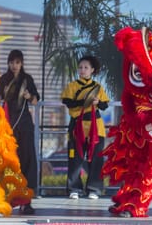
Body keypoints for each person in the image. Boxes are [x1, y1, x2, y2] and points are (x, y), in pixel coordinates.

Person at [0, 49, 39, 215]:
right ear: (8, 63)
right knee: (8, 161)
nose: (14, 65)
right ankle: (4, 198)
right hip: (7, 124)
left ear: (22, 63)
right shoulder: (3, 80)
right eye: (12, 62)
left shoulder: (27, 80)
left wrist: (29, 96)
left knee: (27, 160)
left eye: (17, 62)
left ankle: (26, 202)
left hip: (24, 124)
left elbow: (35, 100)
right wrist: (1, 96)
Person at [61, 55, 109, 200]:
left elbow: (105, 105)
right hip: (78, 126)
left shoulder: (98, 87)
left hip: (96, 127)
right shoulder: (72, 86)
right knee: (75, 158)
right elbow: (68, 102)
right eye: (81, 67)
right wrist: (85, 102)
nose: (82, 70)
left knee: (96, 159)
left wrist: (97, 102)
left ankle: (94, 189)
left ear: (92, 70)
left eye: (86, 68)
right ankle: (74, 188)